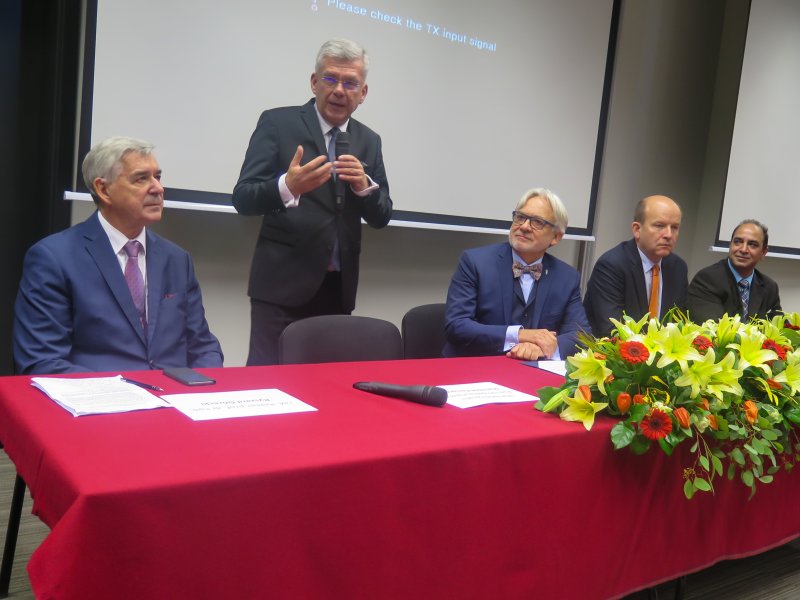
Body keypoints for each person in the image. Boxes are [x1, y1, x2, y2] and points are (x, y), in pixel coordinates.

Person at [232, 38, 392, 365]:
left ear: (363, 93)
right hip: (281, 287)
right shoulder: (278, 123)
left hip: (338, 289)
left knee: (327, 383)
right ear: (314, 82)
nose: (339, 90)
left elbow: (382, 215)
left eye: (350, 83)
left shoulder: (369, 140)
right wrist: (287, 186)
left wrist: (364, 187)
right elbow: (243, 198)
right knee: (269, 380)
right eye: (330, 79)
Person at [13, 136, 223, 374]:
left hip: (176, 393)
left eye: (158, 177)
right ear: (104, 190)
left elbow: (204, 348)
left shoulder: (177, 259)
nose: (158, 188)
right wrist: (123, 392)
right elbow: (43, 362)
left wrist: (200, 386)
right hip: (100, 395)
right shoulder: (54, 258)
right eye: (141, 178)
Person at [443, 188, 590, 360]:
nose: (524, 226)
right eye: (520, 217)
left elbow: (581, 336)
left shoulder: (567, 277)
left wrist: (545, 347)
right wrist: (521, 335)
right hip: (475, 366)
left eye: (537, 222)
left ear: (556, 237)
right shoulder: (475, 262)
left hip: (533, 369)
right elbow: (457, 326)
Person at [583, 195, 688, 338]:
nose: (669, 235)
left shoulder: (678, 268)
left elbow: (679, 323)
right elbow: (612, 330)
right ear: (637, 229)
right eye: (659, 226)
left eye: (674, 227)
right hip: (618, 349)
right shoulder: (612, 265)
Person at [687, 219, 781, 322]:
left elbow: (781, 326)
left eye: (752, 244)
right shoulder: (707, 280)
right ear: (730, 245)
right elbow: (713, 328)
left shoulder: (770, 287)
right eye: (738, 242)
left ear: (763, 253)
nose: (743, 249)